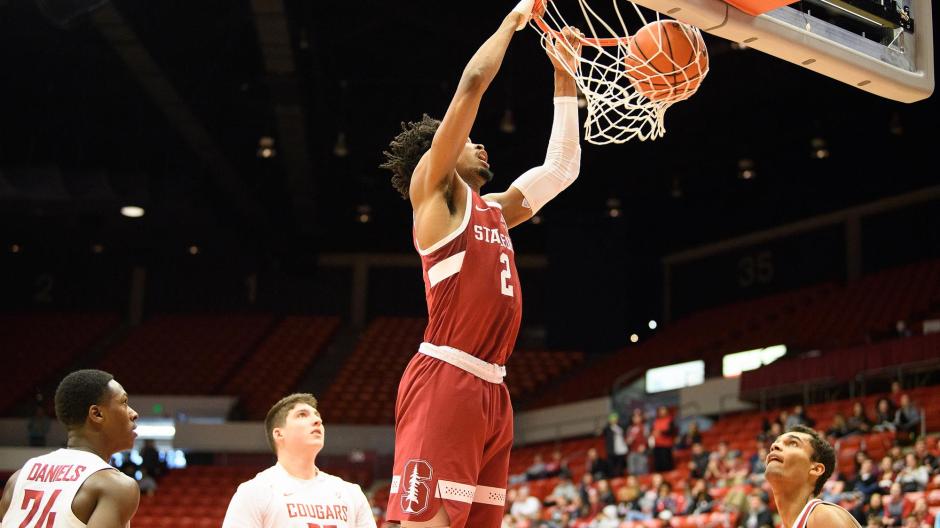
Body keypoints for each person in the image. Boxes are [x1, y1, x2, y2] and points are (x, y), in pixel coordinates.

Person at [378, 0, 583, 525]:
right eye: (468, 140)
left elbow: (561, 169)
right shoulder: (435, 195)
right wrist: (513, 20)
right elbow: (471, 84)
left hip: (493, 387)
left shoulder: (493, 210)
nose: (481, 143)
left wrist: (565, 78)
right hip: (446, 376)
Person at [0, 369, 140, 527]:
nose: (134, 413)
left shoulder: (17, 479)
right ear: (97, 414)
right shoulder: (115, 486)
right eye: (124, 402)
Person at [222, 393, 375, 528]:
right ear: (279, 434)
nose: (317, 420)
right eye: (302, 415)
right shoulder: (254, 492)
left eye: (317, 416)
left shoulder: (351, 493)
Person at [765, 425, 862, 527]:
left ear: (816, 469)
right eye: (776, 442)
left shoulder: (823, 517)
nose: (774, 446)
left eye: (793, 443)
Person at [602, 413, 628, 478]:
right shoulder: (608, 429)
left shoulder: (621, 427)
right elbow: (604, 432)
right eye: (612, 420)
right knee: (612, 468)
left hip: (621, 451)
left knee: (620, 467)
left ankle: (620, 478)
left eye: (615, 419)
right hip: (612, 451)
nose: (613, 421)